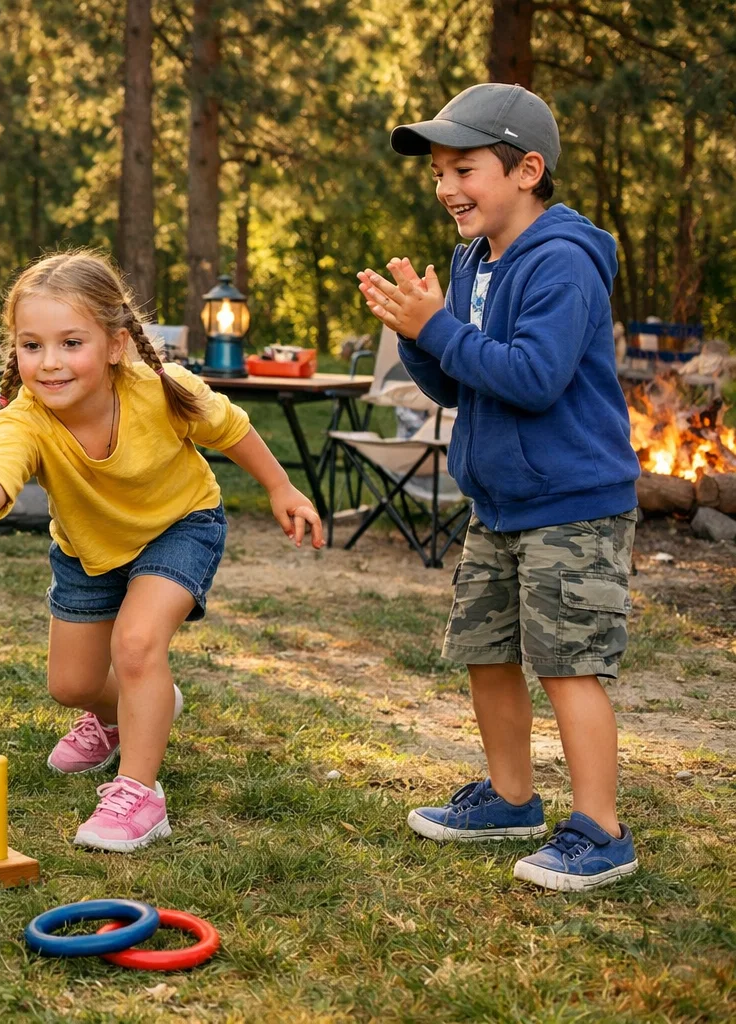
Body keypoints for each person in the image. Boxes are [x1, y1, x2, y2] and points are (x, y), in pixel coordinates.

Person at [0, 249, 323, 853]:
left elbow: (231, 427)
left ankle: (140, 795)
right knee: (72, 684)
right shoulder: (26, 417)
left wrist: (280, 485)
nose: (50, 364)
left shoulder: (161, 389)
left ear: (114, 343)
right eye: (32, 346)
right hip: (88, 552)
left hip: (180, 525)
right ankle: (129, 710)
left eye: (70, 343)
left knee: (136, 644)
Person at [357, 83, 641, 890]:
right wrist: (417, 339)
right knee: (486, 651)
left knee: (567, 664)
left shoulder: (562, 262)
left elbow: (535, 379)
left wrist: (437, 327)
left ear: (526, 169)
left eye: (465, 168)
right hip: (501, 502)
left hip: (573, 502)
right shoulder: (471, 261)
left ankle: (601, 831)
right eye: (439, 172)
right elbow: (462, 387)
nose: (447, 187)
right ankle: (512, 799)